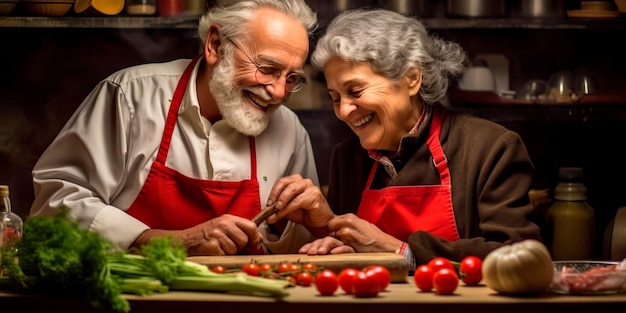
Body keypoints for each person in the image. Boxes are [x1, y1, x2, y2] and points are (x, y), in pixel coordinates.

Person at [29, 0, 322, 256]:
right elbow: (56, 203)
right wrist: (161, 242)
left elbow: (300, 253)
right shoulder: (130, 96)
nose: (280, 92)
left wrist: (295, 221)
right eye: (267, 68)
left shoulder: (289, 130)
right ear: (216, 46)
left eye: (292, 77)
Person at [267, 8, 542, 268]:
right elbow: (354, 250)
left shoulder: (491, 148)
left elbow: (519, 256)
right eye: (335, 97)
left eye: (356, 90)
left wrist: (401, 251)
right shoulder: (347, 158)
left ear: (411, 78)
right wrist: (328, 232)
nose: (344, 111)